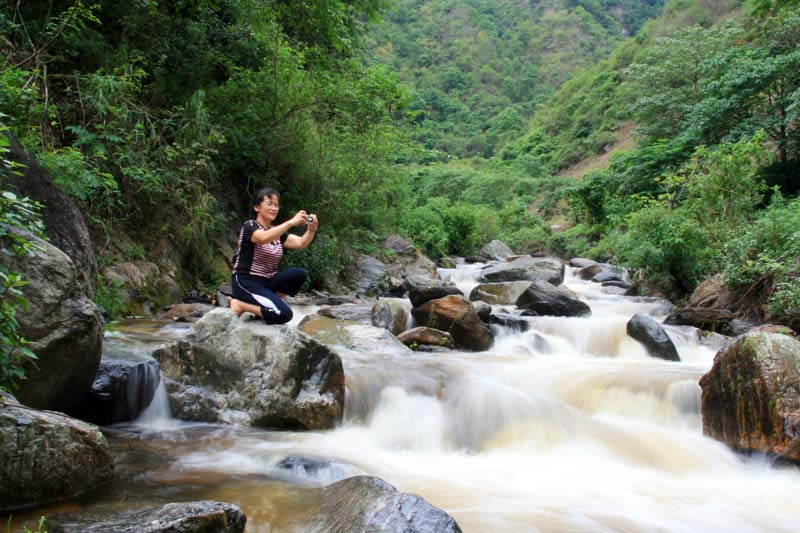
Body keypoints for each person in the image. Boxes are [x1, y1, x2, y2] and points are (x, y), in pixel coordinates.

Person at [228, 188, 318, 324]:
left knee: (299, 274)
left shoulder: (276, 232)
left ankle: (266, 306)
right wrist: (290, 222)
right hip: (246, 282)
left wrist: (311, 230)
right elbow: (262, 238)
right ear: (256, 207)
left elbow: (300, 243)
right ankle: (239, 305)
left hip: (267, 282)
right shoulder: (250, 225)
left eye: (276, 205)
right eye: (269, 204)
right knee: (284, 314)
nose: (274, 208)